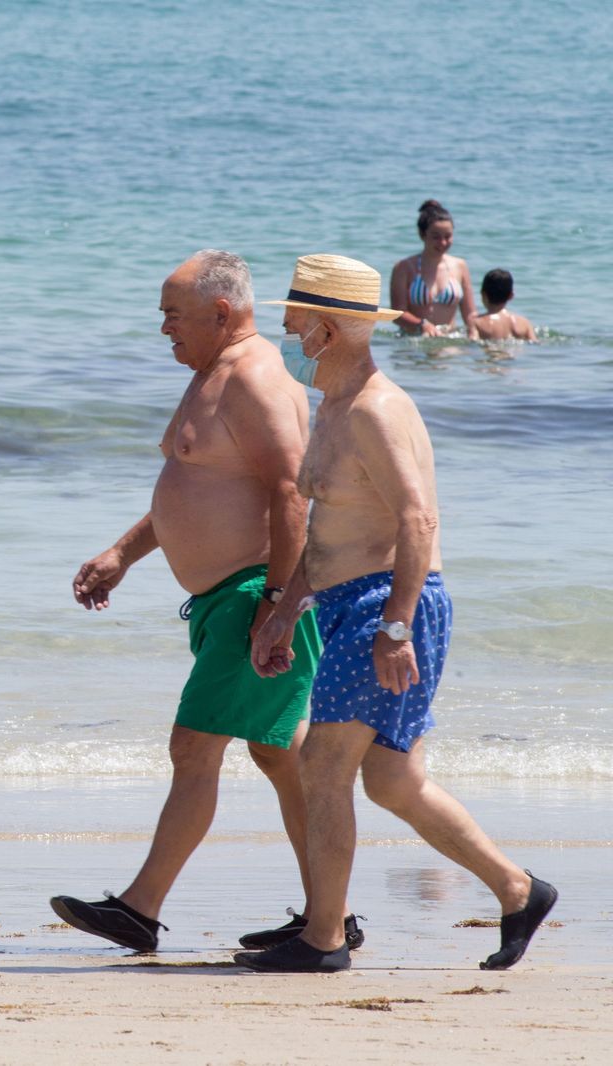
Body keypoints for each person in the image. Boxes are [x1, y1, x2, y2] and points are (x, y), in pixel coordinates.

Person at [241, 254, 556, 973]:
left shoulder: (378, 409)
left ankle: (323, 939)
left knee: (322, 763)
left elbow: (418, 520)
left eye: (295, 320)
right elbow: (329, 534)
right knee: (390, 779)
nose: (287, 330)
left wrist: (396, 625)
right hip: (349, 600)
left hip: (390, 601)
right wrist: (285, 612)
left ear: (329, 327)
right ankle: (518, 890)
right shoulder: (332, 406)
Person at [50, 251, 359, 956]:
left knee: (194, 747)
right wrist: (122, 554)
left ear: (221, 313)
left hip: (256, 590)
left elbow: (292, 496)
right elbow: (200, 488)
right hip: (230, 597)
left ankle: (139, 907)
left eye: (173, 314)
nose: (163, 329)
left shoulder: (254, 379)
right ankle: (329, 919)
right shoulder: (211, 377)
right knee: (281, 756)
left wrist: (278, 605)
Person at [389, 200, 476, 339]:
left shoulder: (460, 266)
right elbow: (397, 314)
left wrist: (475, 335)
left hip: (449, 340)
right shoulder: (403, 267)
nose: (443, 242)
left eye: (448, 236)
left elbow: (470, 314)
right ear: (422, 234)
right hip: (413, 342)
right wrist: (421, 324)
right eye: (436, 237)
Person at [473, 269, 538, 342]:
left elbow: (472, 344)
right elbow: (535, 343)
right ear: (511, 296)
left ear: (483, 294)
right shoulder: (525, 323)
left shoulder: (477, 323)